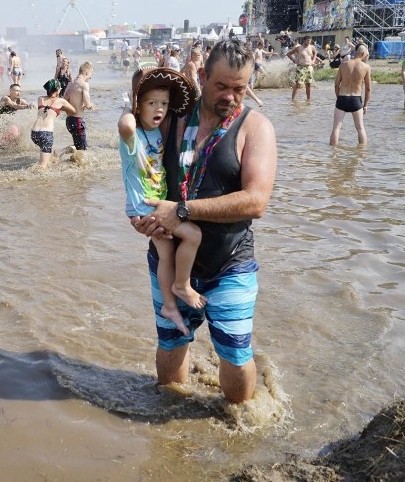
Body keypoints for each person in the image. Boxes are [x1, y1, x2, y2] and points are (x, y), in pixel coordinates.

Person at [132, 39, 277, 403]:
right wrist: (141, 216)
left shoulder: (255, 128)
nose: (231, 96)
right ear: (201, 76)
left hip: (229, 264)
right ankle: (170, 425)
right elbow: (140, 168)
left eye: (240, 88)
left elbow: (256, 201)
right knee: (170, 344)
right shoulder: (172, 119)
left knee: (235, 353)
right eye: (222, 86)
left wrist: (181, 210)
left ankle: (239, 423)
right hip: (168, 258)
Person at [119, 68, 204, 335]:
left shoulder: (157, 131)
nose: (159, 109)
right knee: (192, 234)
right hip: (146, 206)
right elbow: (125, 126)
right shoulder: (133, 138)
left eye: (164, 104)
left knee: (166, 255)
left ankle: (169, 305)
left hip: (152, 203)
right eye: (151, 103)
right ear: (137, 105)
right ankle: (182, 285)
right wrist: (127, 109)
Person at [331, 44, 371, 146]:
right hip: (356, 99)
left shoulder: (343, 65)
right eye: (367, 54)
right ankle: (362, 153)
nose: (367, 56)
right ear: (362, 53)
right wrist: (365, 105)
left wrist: (338, 98)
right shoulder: (366, 67)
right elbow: (368, 88)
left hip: (342, 97)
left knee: (336, 128)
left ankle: (333, 155)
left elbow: (336, 85)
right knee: (360, 128)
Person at [30, 79, 76, 168]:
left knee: (48, 155)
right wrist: (62, 107)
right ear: (57, 89)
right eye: (60, 88)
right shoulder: (61, 101)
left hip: (34, 133)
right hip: (46, 134)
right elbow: (73, 111)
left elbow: (47, 107)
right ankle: (39, 181)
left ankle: (58, 153)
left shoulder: (40, 98)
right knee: (42, 165)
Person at [286, 36, 317, 101]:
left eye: (310, 41)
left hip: (309, 67)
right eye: (308, 40)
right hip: (301, 67)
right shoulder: (299, 48)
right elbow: (288, 54)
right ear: (304, 40)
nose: (309, 42)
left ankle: (308, 100)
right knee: (298, 84)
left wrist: (313, 60)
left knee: (308, 84)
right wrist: (294, 60)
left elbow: (315, 53)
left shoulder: (311, 47)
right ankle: (293, 100)